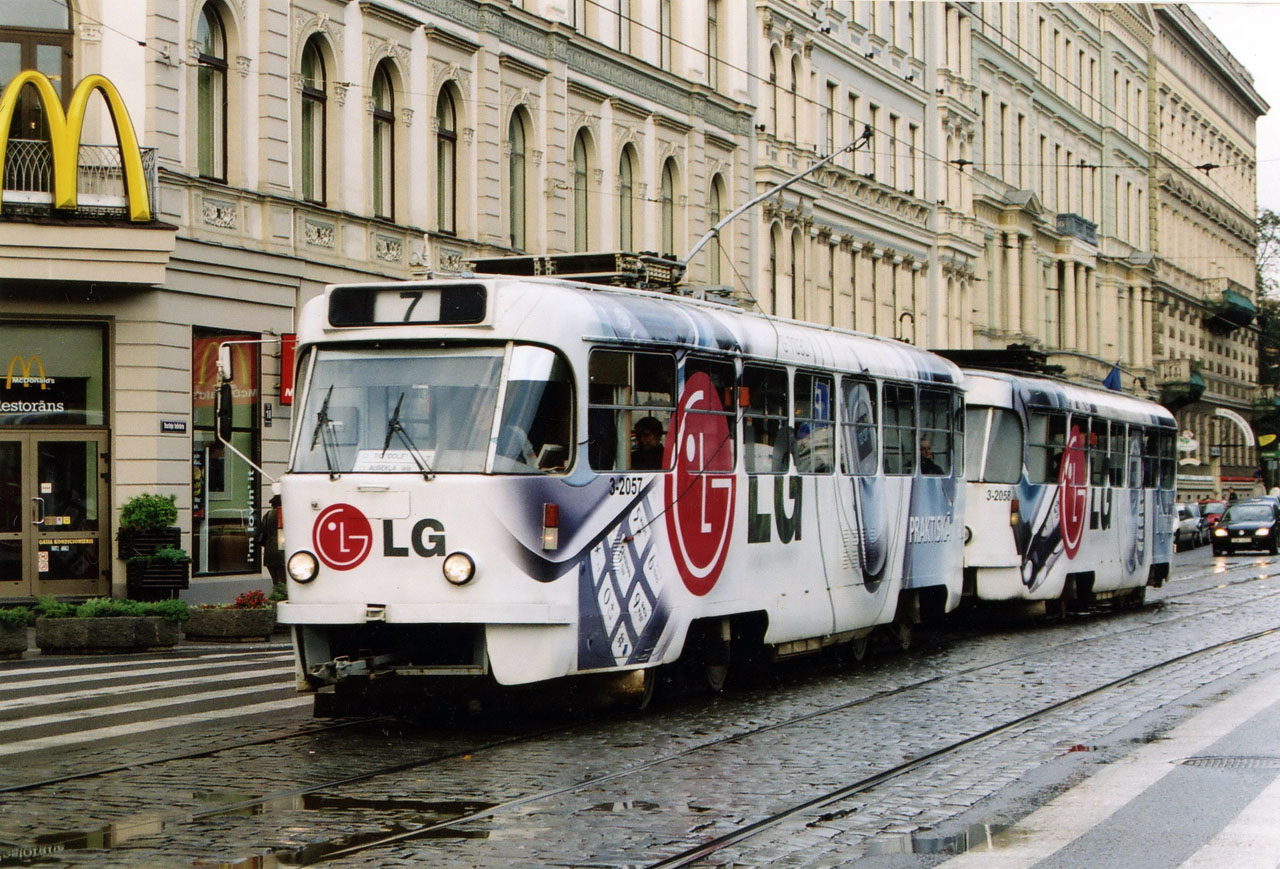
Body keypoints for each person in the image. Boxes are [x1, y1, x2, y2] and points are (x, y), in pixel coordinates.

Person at [255, 494, 284, 585]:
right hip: (282, 552)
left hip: (269, 553)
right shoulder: (285, 515)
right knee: (283, 583)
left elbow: (261, 534)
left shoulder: (267, 515)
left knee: (275, 582)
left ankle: (276, 597)